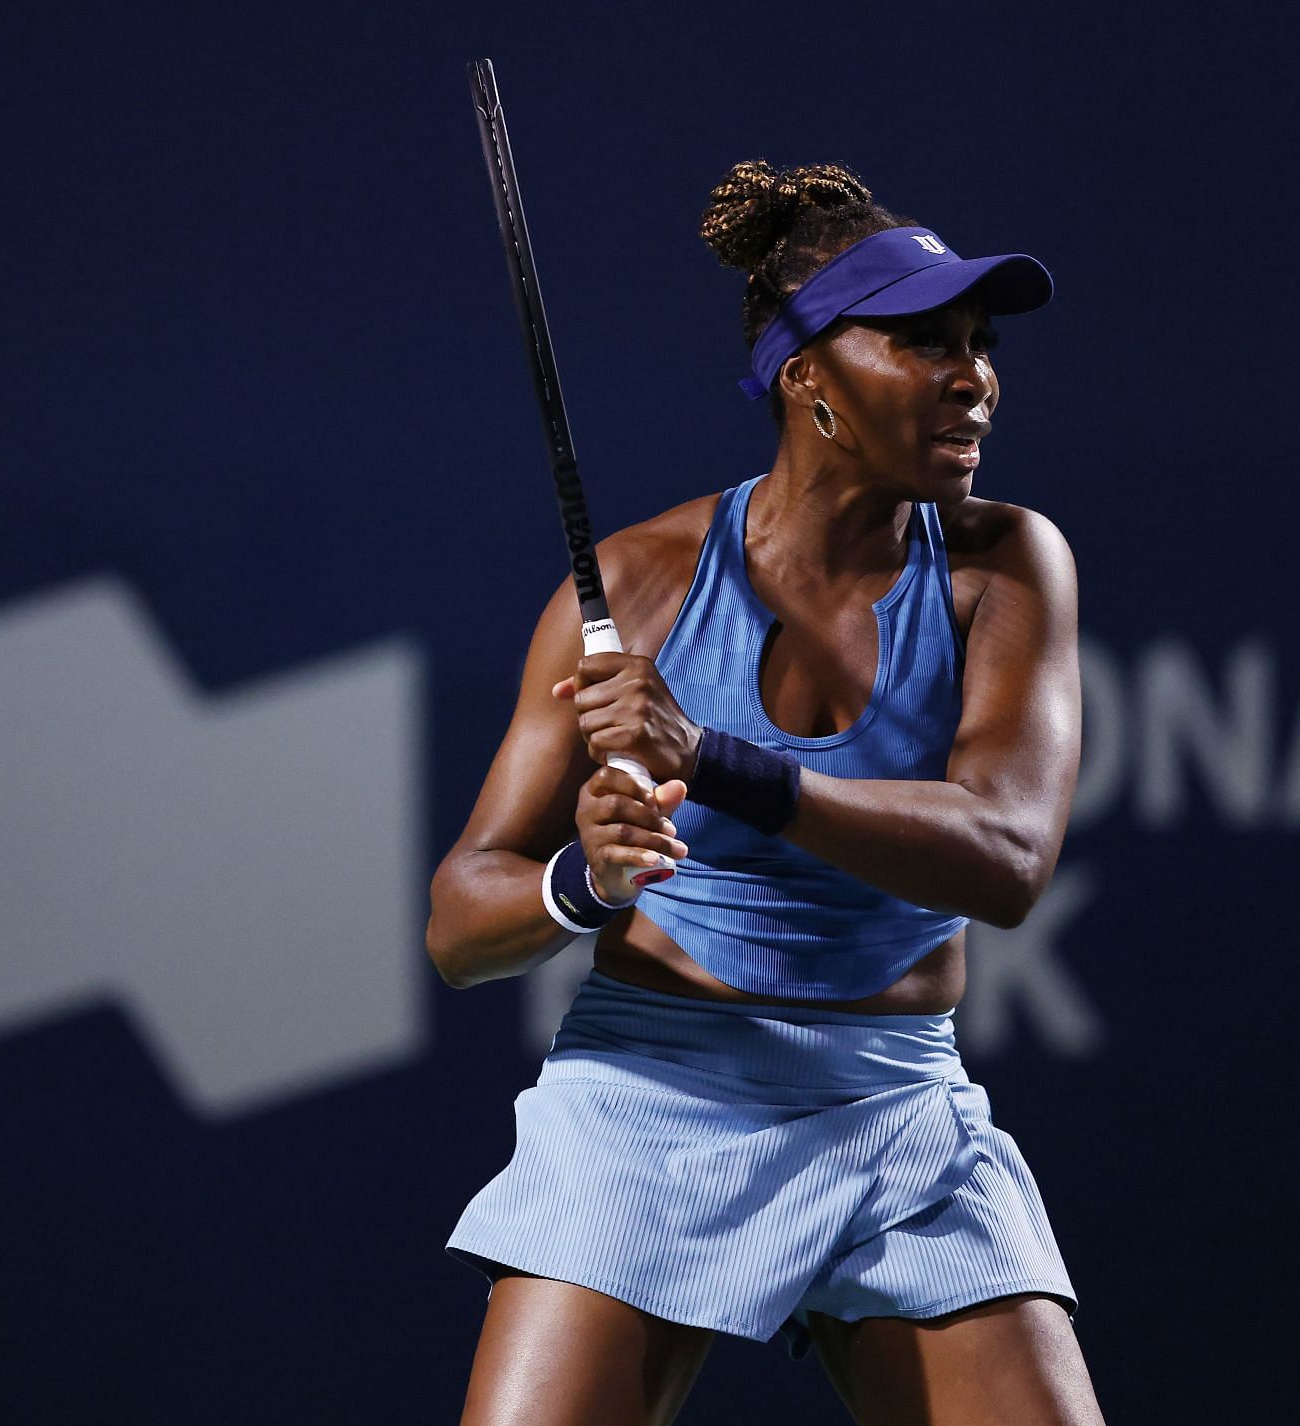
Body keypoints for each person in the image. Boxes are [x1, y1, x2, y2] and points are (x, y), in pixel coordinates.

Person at [427, 159, 1105, 1426]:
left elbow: (1005, 858)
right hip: (649, 1096)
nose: (975, 376)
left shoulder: (1008, 564)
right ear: (810, 381)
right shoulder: (636, 582)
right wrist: (586, 880)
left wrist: (718, 762)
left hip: (895, 1100)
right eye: (924, 343)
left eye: (979, 343)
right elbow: (459, 927)